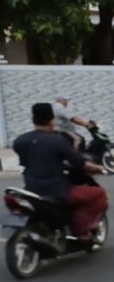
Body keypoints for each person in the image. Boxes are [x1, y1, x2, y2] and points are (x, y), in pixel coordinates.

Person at [13, 103, 107, 241]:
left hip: (30, 188)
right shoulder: (58, 140)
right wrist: (98, 168)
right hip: (56, 190)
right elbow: (79, 164)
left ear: (33, 120)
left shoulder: (20, 141)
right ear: (52, 120)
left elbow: (30, 160)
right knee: (98, 194)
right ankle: (82, 231)